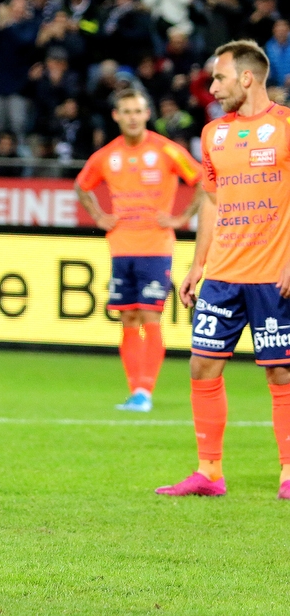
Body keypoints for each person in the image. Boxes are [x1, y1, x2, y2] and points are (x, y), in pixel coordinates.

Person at [159, 40, 290, 499]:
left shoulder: (287, 126)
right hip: (223, 274)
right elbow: (211, 201)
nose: (212, 87)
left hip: (274, 273)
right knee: (201, 366)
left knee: (281, 372)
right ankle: (209, 472)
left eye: (219, 77)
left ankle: (289, 473)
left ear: (248, 77)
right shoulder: (214, 134)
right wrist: (198, 264)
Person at [74, 88, 203, 412]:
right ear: (116, 116)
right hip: (121, 246)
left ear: (147, 115)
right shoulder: (108, 154)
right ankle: (136, 392)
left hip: (156, 245)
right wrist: (99, 217)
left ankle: (145, 391)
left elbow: (201, 179)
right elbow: (81, 185)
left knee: (150, 315)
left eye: (138, 111)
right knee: (128, 317)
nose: (132, 117)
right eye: (126, 111)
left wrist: (181, 217)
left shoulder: (166, 150)